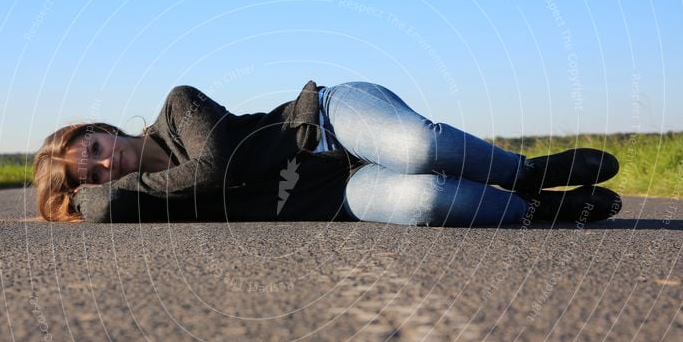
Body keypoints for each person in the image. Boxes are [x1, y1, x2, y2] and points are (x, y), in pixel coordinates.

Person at [32, 80, 622, 225]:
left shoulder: (178, 106)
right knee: (424, 200)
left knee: (417, 148)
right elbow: (110, 210)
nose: (108, 164)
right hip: (339, 193)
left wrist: (107, 195)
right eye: (93, 174)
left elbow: (218, 169)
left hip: (329, 123)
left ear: (104, 129)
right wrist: (91, 204)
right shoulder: (141, 203)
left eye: (96, 148)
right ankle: (540, 213)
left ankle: (527, 173)